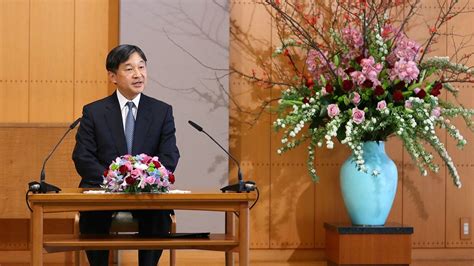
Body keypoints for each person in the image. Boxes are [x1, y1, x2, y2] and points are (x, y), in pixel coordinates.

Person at [72, 44, 180, 266]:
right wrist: (113, 180)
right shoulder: (94, 112)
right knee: (92, 216)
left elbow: (169, 156)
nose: (138, 74)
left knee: (158, 216)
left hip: (146, 193)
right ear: (113, 76)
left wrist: (146, 179)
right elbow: (83, 157)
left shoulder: (161, 111)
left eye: (142, 67)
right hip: (105, 191)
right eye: (129, 69)